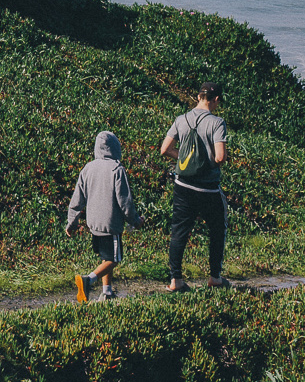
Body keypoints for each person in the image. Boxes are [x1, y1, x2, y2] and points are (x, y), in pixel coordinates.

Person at [159, 82, 229, 292]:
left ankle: (175, 280)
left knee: (179, 231)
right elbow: (220, 157)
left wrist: (185, 160)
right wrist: (204, 164)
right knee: (217, 230)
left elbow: (165, 150)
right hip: (208, 188)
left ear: (198, 97)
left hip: (182, 185)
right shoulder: (217, 123)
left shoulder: (181, 119)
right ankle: (215, 277)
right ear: (215, 99)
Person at [65, 130, 142, 302]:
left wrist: (72, 222)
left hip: (93, 223)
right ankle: (88, 280)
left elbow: (78, 198)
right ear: (116, 148)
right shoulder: (117, 169)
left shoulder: (88, 168)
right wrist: (135, 221)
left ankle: (107, 292)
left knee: (105, 257)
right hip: (111, 223)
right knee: (114, 259)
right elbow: (125, 202)